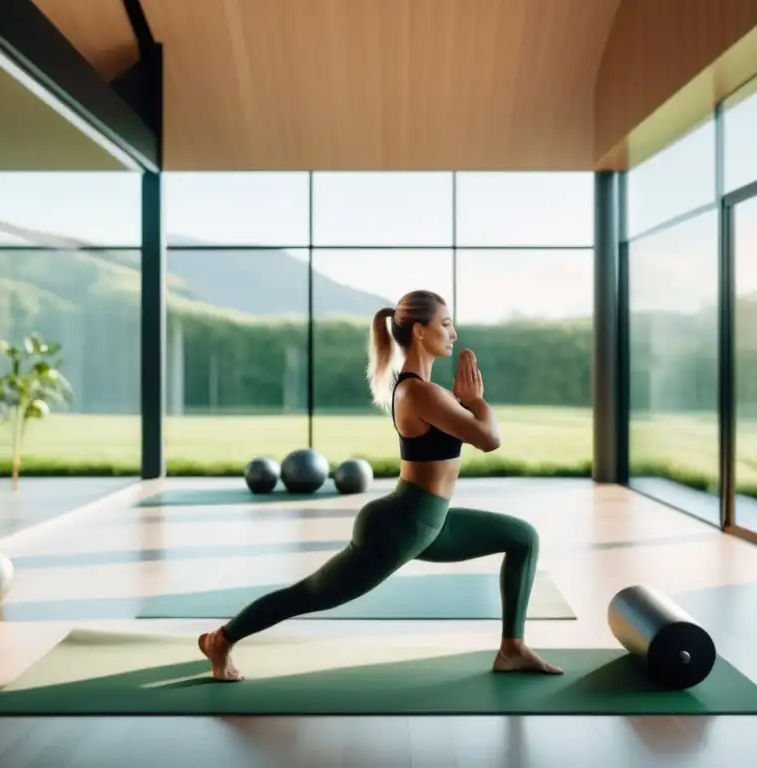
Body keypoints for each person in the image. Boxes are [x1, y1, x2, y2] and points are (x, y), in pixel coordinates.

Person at [198, 289, 562, 681]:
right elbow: (489, 439)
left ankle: (512, 649)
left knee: (523, 538)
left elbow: (472, 430)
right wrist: (477, 401)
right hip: (400, 526)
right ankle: (220, 639)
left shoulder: (426, 391)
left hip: (429, 523)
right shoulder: (417, 392)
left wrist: (467, 402)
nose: (453, 333)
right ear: (420, 331)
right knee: (311, 594)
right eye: (445, 323)